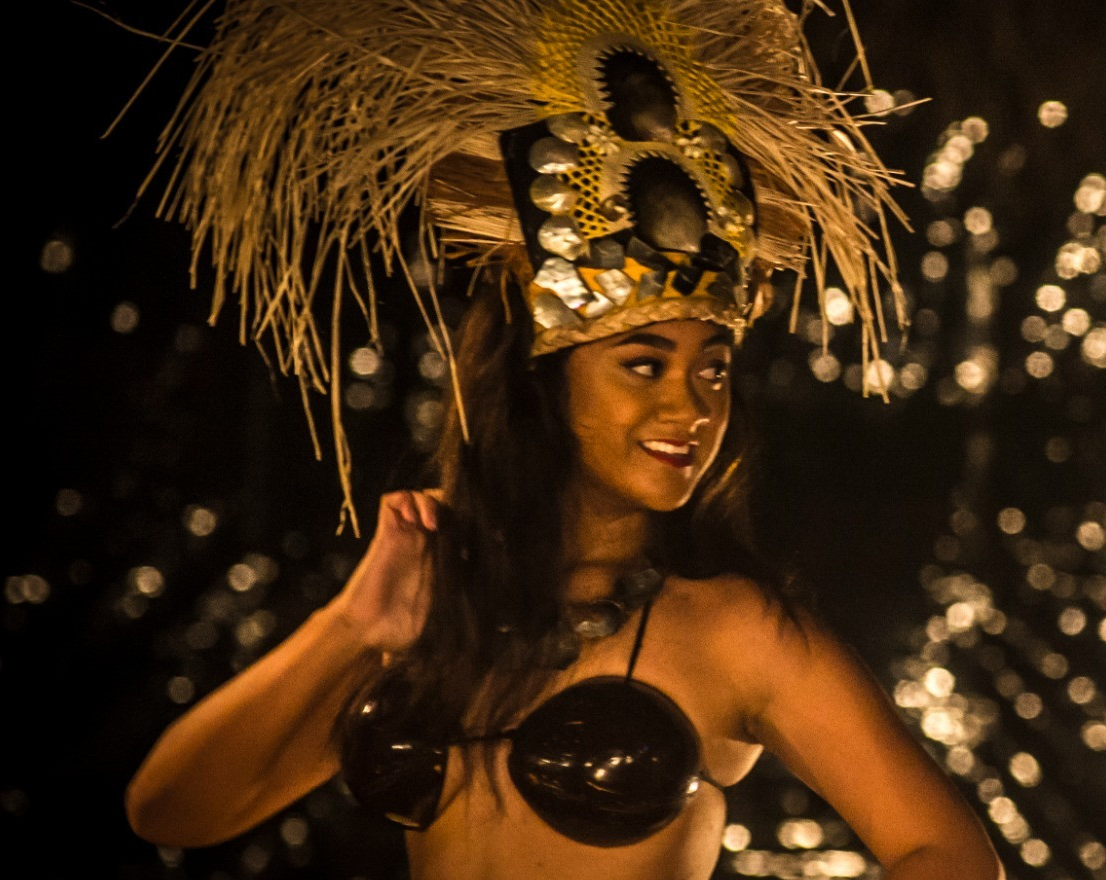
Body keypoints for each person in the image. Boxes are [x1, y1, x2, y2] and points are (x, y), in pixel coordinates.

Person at [120, 1, 1004, 876]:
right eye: (644, 365)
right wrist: (352, 628)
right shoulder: (436, 610)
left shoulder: (734, 631)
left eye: (714, 369)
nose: (691, 408)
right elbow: (173, 810)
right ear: (544, 381)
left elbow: (952, 858)